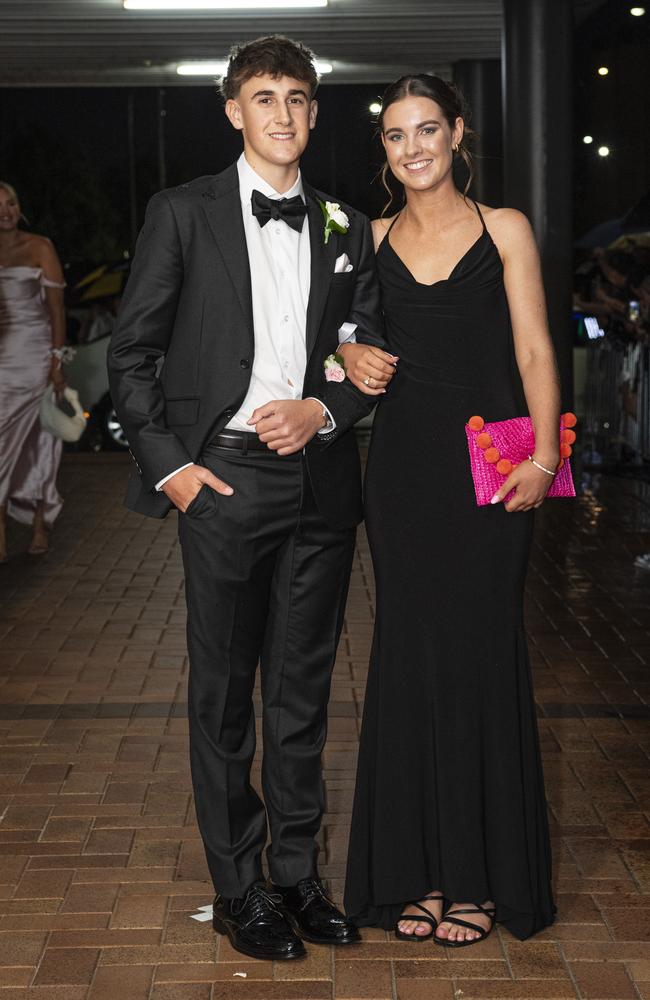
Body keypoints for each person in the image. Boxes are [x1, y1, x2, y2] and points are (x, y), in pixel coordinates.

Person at [108, 35, 386, 962]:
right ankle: (239, 889)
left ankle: (298, 876)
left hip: (319, 482)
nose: (282, 115)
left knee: (302, 694)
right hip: (220, 480)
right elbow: (132, 354)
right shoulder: (180, 213)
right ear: (233, 111)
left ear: (315, 112)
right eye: (263, 98)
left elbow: (366, 352)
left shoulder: (345, 222)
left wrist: (325, 409)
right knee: (225, 697)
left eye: (298, 99)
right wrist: (173, 470)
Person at [341, 74, 559, 946]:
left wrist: (545, 456)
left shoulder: (504, 229)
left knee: (479, 655)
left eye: (427, 129)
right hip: (402, 474)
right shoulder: (372, 236)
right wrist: (350, 353)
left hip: (497, 464)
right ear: (385, 150)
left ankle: (477, 878)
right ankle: (415, 875)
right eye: (396, 136)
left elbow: (537, 349)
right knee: (409, 659)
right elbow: (342, 340)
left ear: (458, 133)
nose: (413, 147)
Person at [0, 181, 66, 562]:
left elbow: (56, 309)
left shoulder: (40, 246)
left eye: (11, 203)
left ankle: (39, 525)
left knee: (41, 443)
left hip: (37, 359)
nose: (6, 211)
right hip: (1, 364)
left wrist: (57, 360)